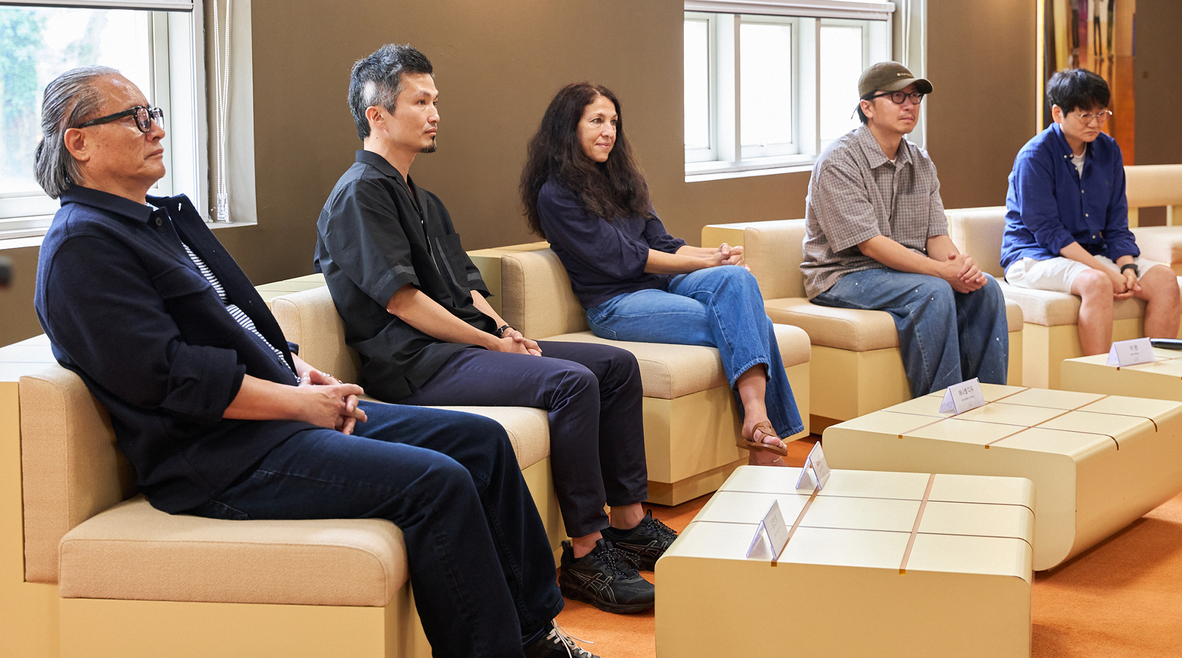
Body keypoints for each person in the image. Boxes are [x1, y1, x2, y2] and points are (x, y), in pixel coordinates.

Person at [31, 66, 595, 658]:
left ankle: (537, 639)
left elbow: (234, 321)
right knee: (438, 483)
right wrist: (300, 405)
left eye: (154, 115)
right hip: (222, 458)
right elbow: (172, 378)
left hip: (277, 416)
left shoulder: (159, 221)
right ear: (80, 141)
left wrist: (294, 369)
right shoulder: (82, 247)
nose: (155, 130)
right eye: (136, 118)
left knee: (483, 444)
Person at [314, 45, 675, 616]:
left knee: (613, 365)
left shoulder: (424, 199)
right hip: (418, 366)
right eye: (420, 101)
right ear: (376, 114)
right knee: (570, 383)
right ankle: (586, 552)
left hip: (462, 350)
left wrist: (508, 331)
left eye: (436, 100)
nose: (435, 112)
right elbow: (404, 302)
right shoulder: (360, 194)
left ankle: (629, 523)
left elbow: (467, 287)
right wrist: (488, 342)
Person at [520, 82, 803, 464]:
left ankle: (758, 423)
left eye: (614, 122)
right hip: (616, 305)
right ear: (568, 128)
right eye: (597, 121)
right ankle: (762, 434)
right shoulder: (555, 195)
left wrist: (716, 257)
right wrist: (702, 262)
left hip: (664, 285)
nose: (609, 131)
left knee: (738, 281)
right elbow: (625, 257)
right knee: (746, 318)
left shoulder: (623, 179)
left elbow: (663, 242)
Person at [801, 61, 1010, 397]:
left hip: (901, 274)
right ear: (867, 107)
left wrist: (960, 266)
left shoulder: (920, 161)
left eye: (915, 97)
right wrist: (943, 274)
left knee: (985, 289)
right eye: (898, 98)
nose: (910, 105)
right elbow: (871, 246)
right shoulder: (839, 161)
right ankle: (941, 414)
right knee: (934, 291)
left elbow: (936, 236)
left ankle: (987, 404)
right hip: (844, 275)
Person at [1002, 68, 1181, 355]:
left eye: (1101, 114)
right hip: (1033, 256)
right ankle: (1099, 380)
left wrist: (1126, 266)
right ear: (1058, 113)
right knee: (1097, 283)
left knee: (1165, 280)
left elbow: (1116, 223)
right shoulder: (1034, 157)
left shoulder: (1108, 150)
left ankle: (1155, 375)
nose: (1095, 123)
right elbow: (1049, 233)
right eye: (1085, 115)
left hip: (1091, 253)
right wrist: (1105, 272)